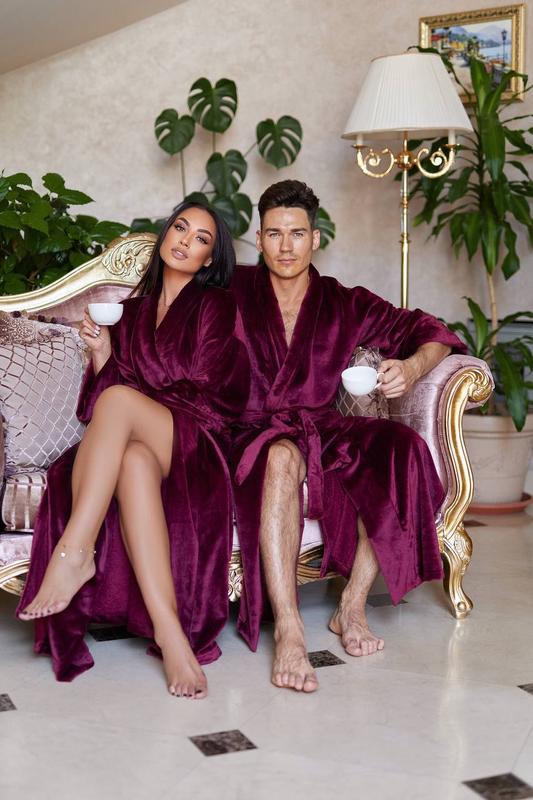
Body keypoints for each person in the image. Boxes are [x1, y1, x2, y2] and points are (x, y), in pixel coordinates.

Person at [230, 180, 466, 693]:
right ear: (259, 238)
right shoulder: (232, 289)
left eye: (297, 234)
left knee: (401, 449)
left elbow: (433, 332)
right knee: (279, 458)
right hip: (250, 430)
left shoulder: (344, 301)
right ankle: (289, 627)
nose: (286, 246)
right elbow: (168, 320)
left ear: (316, 238)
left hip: (321, 425)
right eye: (274, 234)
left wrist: (411, 366)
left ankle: (352, 605)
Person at [17, 202, 249, 698]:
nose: (185, 240)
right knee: (132, 461)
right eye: (180, 228)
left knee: (123, 402)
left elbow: (212, 387)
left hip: (198, 436)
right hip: (147, 441)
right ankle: (172, 637)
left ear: (209, 258)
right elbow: (107, 405)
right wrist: (103, 353)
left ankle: (75, 552)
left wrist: (137, 392)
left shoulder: (215, 305)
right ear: (166, 235)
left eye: (201, 238)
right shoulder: (134, 313)